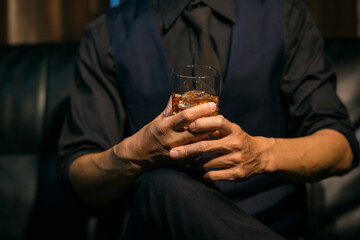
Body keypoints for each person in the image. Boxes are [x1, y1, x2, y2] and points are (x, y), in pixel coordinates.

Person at [59, 0, 360, 239]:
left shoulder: (285, 15)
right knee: (163, 185)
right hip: (158, 227)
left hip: (264, 225)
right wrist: (138, 152)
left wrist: (259, 154)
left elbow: (341, 148)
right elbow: (79, 176)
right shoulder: (106, 34)